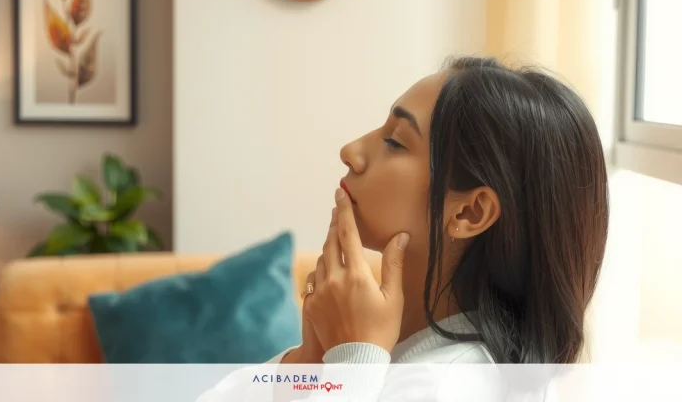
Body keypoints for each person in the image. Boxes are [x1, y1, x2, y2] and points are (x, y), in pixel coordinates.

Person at [201, 57, 609, 401]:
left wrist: (351, 362)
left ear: (469, 212)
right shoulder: (393, 347)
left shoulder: (449, 385)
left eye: (395, 141)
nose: (351, 152)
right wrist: (310, 361)